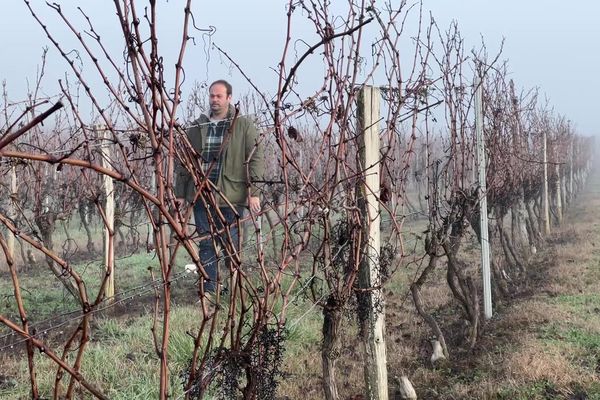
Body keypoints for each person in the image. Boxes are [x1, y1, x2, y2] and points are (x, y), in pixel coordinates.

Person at [175, 79, 264, 295]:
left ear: (229, 98)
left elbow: (255, 158)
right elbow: (184, 162)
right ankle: (210, 289)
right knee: (205, 243)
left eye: (219, 96)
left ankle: (234, 289)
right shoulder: (197, 126)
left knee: (230, 244)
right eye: (212, 96)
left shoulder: (243, 126)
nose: (214, 100)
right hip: (201, 195)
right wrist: (180, 193)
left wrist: (253, 192)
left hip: (230, 195)